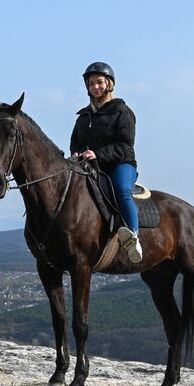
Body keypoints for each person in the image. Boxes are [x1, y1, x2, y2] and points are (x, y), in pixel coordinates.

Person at [70, 61, 143, 264]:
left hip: (121, 164)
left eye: (99, 82)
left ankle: (134, 237)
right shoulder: (83, 117)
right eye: (91, 83)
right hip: (91, 166)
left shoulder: (122, 112)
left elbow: (125, 145)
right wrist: (76, 154)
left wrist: (98, 154)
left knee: (121, 190)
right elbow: (75, 141)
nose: (95, 87)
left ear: (109, 83)